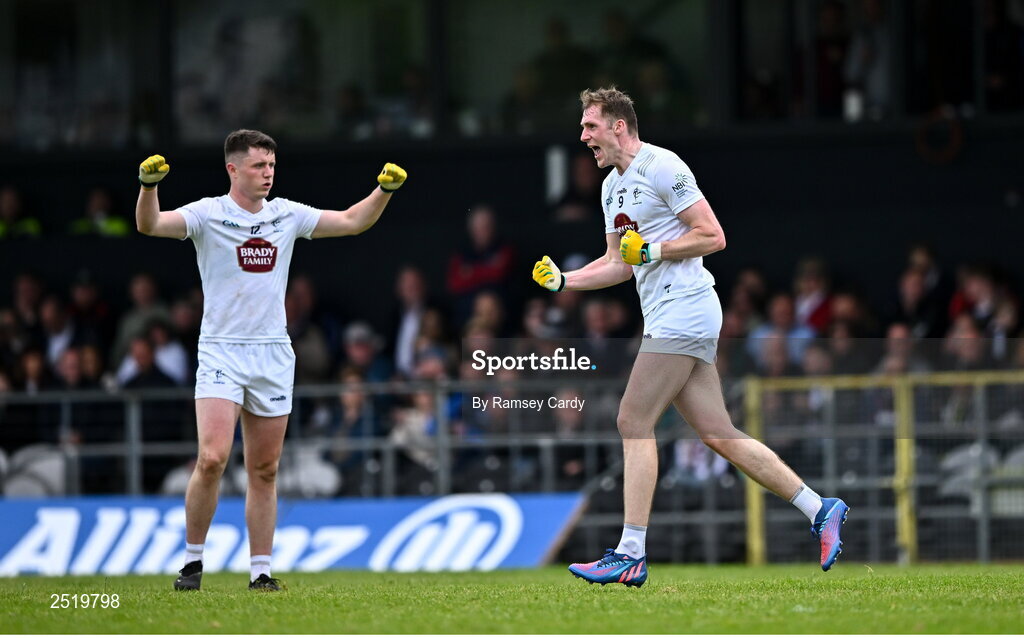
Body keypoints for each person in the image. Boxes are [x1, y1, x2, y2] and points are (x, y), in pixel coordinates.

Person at [531, 88, 848, 587]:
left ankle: (630, 551)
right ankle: (820, 507)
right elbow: (618, 263)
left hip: (686, 309)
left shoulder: (663, 166)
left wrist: (653, 251)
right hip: (670, 315)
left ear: (619, 126)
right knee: (719, 435)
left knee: (632, 418)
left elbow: (713, 235)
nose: (583, 135)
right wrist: (565, 281)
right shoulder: (610, 188)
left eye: (590, 125)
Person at [135, 129, 406, 591]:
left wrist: (384, 191)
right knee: (212, 458)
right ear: (233, 169)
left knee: (265, 469)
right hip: (221, 348)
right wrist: (147, 186)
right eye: (260, 166)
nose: (268, 174)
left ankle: (260, 571)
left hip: (273, 353)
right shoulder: (207, 213)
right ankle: (192, 562)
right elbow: (150, 225)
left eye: (272, 166)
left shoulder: (287, 214)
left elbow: (352, 222)